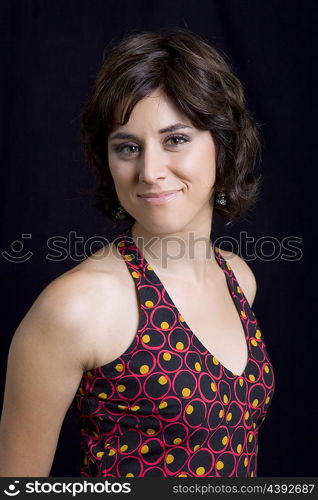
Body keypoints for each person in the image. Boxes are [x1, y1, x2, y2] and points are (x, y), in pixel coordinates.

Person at [0, 27, 275, 478]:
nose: (149, 171)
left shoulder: (238, 278)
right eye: (127, 147)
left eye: (176, 139)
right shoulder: (78, 306)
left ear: (222, 146)